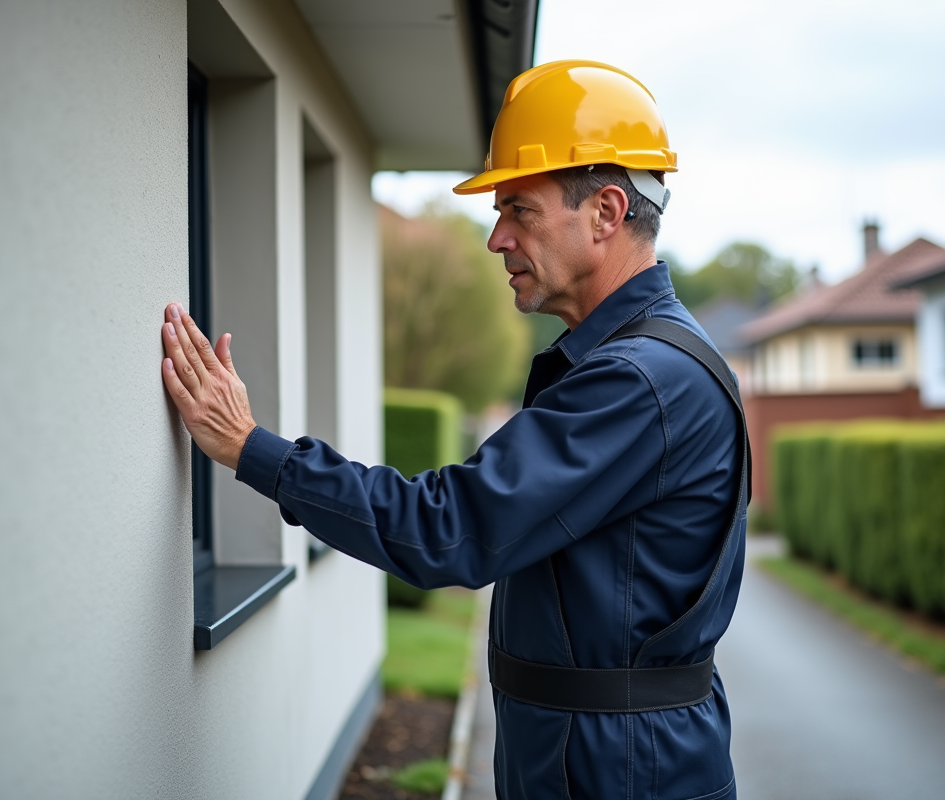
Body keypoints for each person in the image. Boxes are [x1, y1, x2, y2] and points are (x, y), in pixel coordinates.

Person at [160, 60, 748, 800]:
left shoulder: (637, 382)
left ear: (605, 212)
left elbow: (451, 528)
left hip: (619, 773)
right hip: (607, 760)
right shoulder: (635, 364)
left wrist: (255, 450)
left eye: (520, 210)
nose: (497, 239)